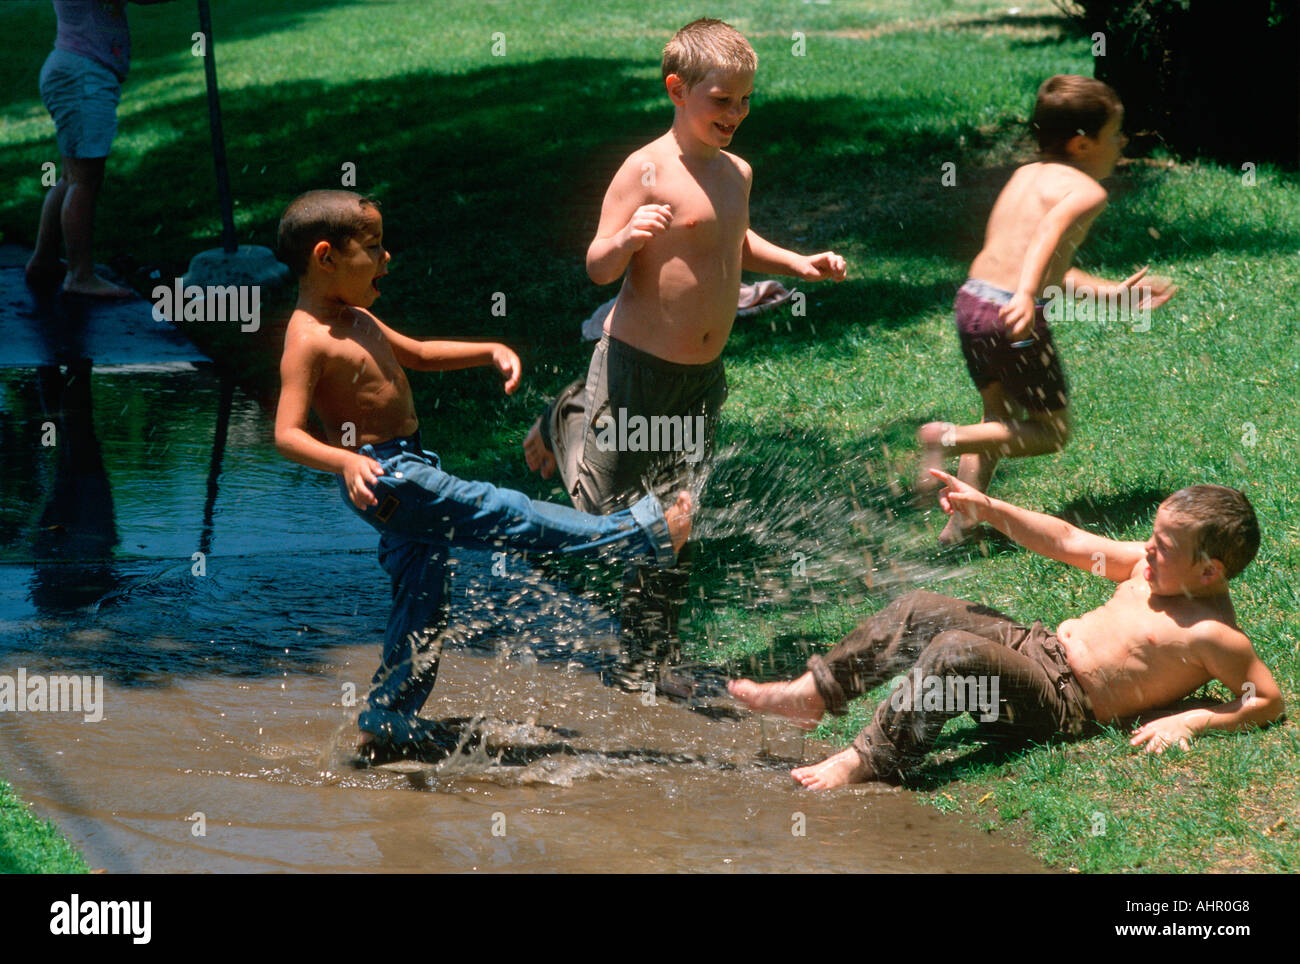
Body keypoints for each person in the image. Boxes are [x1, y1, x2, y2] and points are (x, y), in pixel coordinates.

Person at [272, 190, 692, 765]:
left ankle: (387, 717)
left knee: (422, 600)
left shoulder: (357, 317)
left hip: (409, 466)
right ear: (325, 256)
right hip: (389, 477)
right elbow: (286, 434)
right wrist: (345, 460)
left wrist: (487, 349)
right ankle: (637, 535)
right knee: (505, 511)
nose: (387, 258)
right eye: (373, 248)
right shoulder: (307, 339)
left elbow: (417, 353)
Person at [522, 17, 847, 687]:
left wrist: (798, 262)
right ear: (677, 89)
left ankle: (649, 657)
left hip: (699, 379)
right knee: (603, 512)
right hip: (633, 369)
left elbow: (736, 240)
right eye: (721, 100)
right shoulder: (645, 169)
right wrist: (629, 237)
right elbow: (597, 267)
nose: (736, 114)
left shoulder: (736, 172)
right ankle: (566, 421)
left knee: (675, 520)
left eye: (745, 100)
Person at [729, 468, 1283, 789]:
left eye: (1163, 547)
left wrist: (1192, 721)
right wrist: (990, 508)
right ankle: (815, 692)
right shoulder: (1146, 569)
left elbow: (1267, 701)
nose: (1147, 550)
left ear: (1209, 570)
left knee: (954, 652)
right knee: (922, 608)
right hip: (1034, 648)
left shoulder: (1212, 633)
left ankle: (873, 757)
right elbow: (1067, 540)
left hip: (1057, 705)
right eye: (1151, 538)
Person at [917, 75, 1176, 544]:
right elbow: (1048, 235)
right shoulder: (1085, 192)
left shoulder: (1023, 175)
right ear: (1082, 143)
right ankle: (943, 436)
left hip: (972, 301)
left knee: (994, 421)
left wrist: (1113, 294)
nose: (1121, 143)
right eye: (1116, 133)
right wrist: (1024, 294)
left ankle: (959, 526)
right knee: (1051, 433)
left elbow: (1044, 262)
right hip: (1011, 315)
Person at [26, 0, 177, 297]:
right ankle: (80, 275)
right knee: (84, 181)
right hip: (82, 76)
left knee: (72, 178)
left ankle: (43, 261)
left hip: (76, 71)